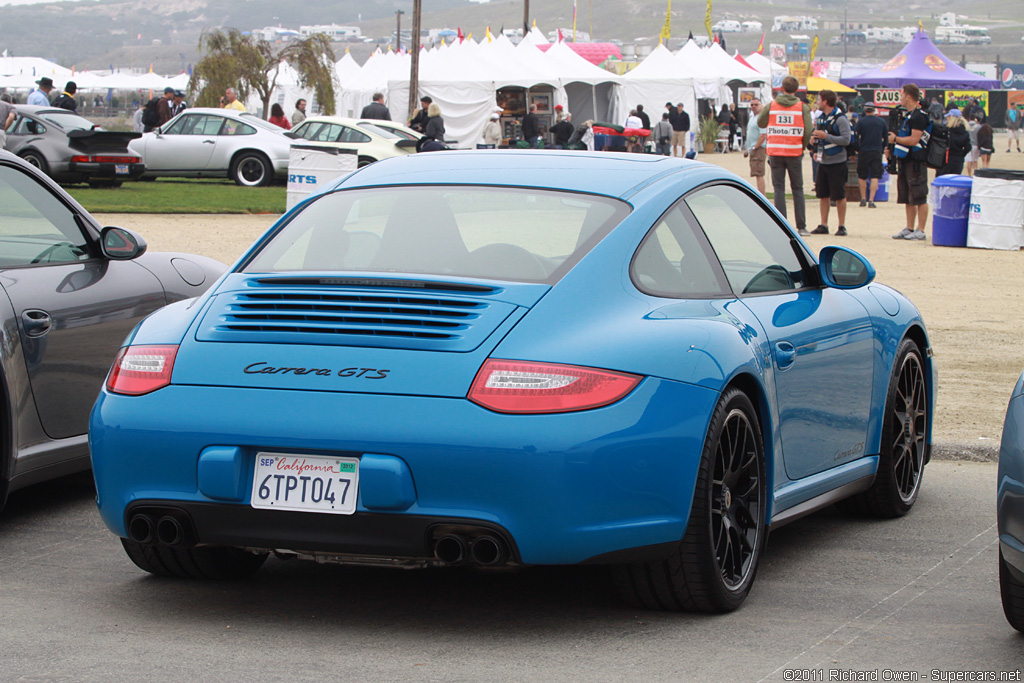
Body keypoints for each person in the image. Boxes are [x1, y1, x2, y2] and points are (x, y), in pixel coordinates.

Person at [758, 75, 812, 236]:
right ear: (796, 90)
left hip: (775, 151)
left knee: (778, 188)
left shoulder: (772, 105)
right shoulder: (802, 107)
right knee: (798, 189)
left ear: (782, 88)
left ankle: (782, 225)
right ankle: (801, 226)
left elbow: (761, 122)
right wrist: (801, 146)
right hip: (794, 151)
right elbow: (808, 130)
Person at [888, 83, 930, 241]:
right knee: (907, 196)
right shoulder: (908, 116)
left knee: (919, 195)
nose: (900, 98)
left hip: (917, 161)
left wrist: (896, 139)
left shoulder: (919, 117)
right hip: (905, 160)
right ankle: (910, 227)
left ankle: (921, 230)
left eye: (901, 95)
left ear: (909, 97)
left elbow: (914, 139)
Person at [809, 89, 852, 236]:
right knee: (823, 194)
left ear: (826, 101)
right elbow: (820, 136)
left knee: (839, 195)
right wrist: (814, 144)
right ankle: (824, 224)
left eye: (819, 100)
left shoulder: (841, 119)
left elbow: (846, 140)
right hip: (823, 161)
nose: (817, 102)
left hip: (837, 161)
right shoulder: (821, 117)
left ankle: (842, 225)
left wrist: (826, 136)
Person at [854, 105, 888, 207]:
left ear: (865, 111)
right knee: (875, 176)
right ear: (874, 111)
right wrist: (882, 148)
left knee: (862, 176)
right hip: (876, 151)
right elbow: (886, 137)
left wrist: (857, 148)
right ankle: (871, 200)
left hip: (864, 151)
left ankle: (863, 199)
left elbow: (855, 136)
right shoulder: (881, 122)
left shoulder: (861, 122)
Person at [937, 109, 971, 177]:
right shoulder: (964, 132)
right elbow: (968, 147)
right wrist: (961, 155)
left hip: (946, 160)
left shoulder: (947, 131)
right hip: (958, 161)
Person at [743, 98, 767, 196]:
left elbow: (763, 135)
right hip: (753, 148)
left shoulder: (761, 118)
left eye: (756, 104)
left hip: (759, 148)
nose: (754, 106)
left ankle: (762, 196)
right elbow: (751, 134)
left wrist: (755, 147)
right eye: (752, 105)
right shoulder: (752, 118)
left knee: (759, 174)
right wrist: (747, 149)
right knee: (756, 173)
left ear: (761, 105)